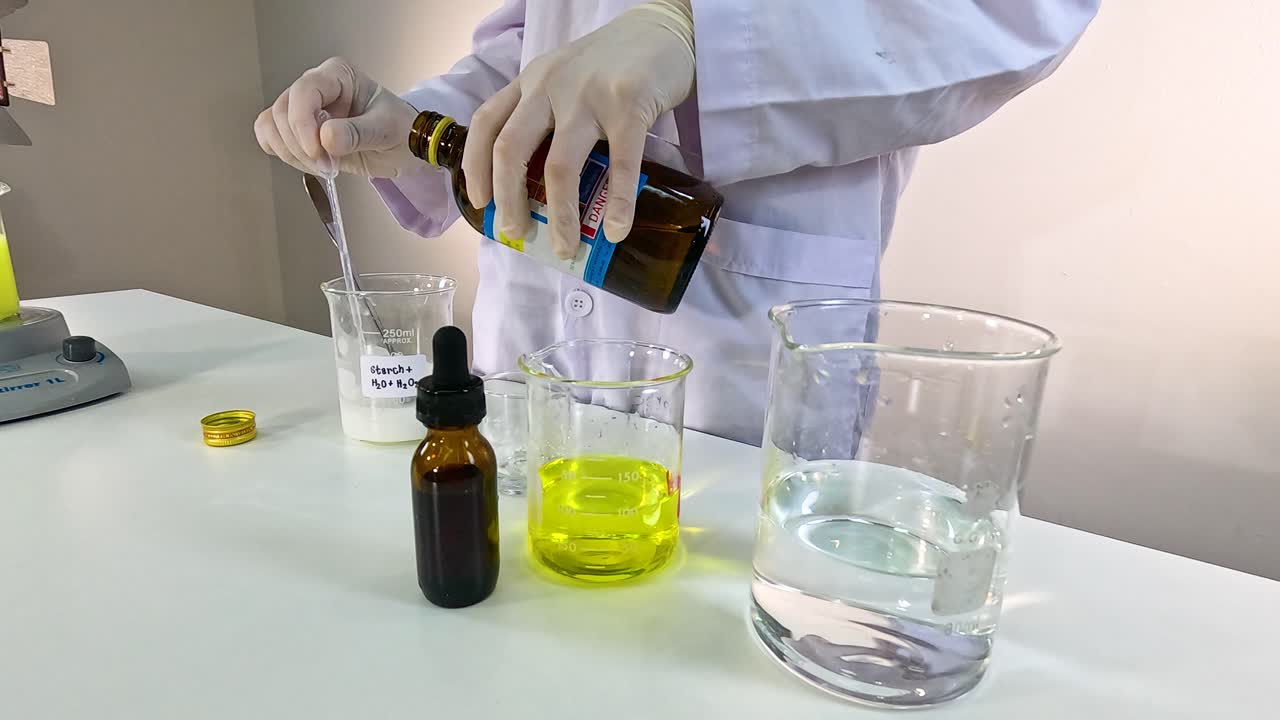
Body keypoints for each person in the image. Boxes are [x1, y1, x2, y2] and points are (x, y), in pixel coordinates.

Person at [256, 0, 1098, 444]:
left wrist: (702, 31)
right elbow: (544, 42)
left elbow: (1016, 11)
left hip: (732, 344)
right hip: (536, 339)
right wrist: (416, 128)